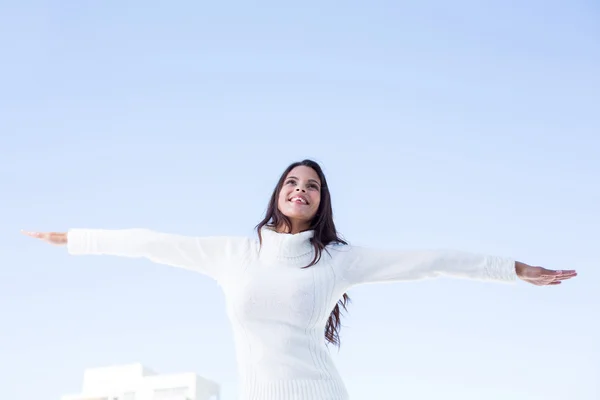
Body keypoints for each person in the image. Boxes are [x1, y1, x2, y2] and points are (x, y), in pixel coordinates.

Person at [22, 159, 577, 400]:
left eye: (312, 186)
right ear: (278, 192)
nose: (301, 189)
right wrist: (75, 238)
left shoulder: (335, 260)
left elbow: (429, 260)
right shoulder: (234, 254)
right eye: (293, 181)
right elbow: (149, 242)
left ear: (321, 202)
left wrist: (514, 271)